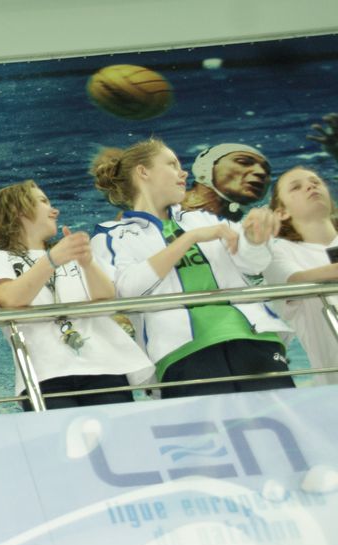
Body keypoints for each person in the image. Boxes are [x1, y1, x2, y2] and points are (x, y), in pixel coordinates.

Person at [91, 138, 293, 399]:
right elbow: (127, 291)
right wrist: (188, 239)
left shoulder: (203, 219)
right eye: (172, 164)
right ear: (143, 172)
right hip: (182, 352)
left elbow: (253, 264)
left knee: (279, 419)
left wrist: (255, 240)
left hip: (255, 338)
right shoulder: (111, 235)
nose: (183, 172)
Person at [0, 182, 153, 410]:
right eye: (43, 201)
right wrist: (51, 260)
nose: (55, 210)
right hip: (45, 372)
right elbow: (11, 299)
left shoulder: (70, 254)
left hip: (104, 365)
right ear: (18, 210)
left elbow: (106, 299)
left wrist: (87, 263)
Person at [263, 166, 338, 386]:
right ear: (281, 213)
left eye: (316, 182)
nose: (310, 186)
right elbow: (295, 280)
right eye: (296, 187)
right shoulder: (278, 252)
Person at [181, 143, 271, 221]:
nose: (261, 172)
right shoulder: (173, 210)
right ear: (204, 168)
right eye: (243, 162)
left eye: (267, 171)